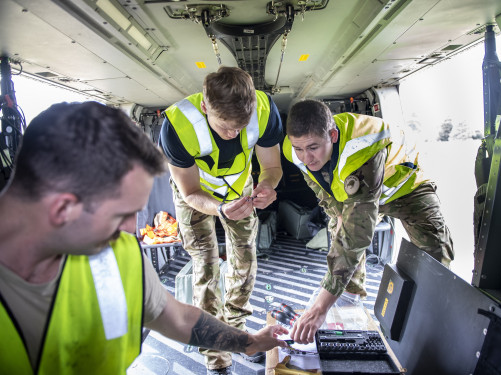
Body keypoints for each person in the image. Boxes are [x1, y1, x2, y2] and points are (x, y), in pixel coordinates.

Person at [0, 101, 287, 374]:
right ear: (63, 208)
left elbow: (177, 318)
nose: (130, 231)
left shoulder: (118, 252)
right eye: (119, 216)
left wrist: (250, 343)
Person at [283, 99, 454, 344]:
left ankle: (435, 325)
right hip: (357, 200)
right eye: (298, 148)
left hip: (406, 190)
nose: (305, 157)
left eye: (312, 147)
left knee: (436, 255)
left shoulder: (361, 150)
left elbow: (358, 234)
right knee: (340, 240)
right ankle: (348, 306)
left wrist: (318, 308)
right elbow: (323, 190)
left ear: (332, 135)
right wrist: (338, 215)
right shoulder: (297, 150)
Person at [159, 66, 283, 374]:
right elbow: (190, 191)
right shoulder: (177, 126)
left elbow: (271, 166)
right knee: (206, 264)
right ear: (204, 106)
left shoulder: (265, 112)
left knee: (245, 258)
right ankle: (216, 354)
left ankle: (240, 336)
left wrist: (268, 185)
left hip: (240, 188)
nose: (234, 134)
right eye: (226, 127)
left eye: (241, 127)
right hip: (196, 194)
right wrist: (221, 209)